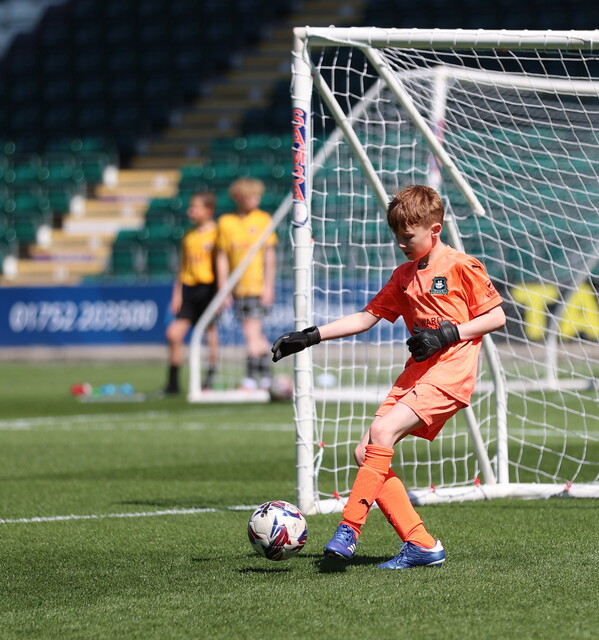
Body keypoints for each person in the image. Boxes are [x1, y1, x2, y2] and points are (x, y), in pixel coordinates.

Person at [271, 185, 506, 569]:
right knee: (365, 451)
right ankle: (422, 544)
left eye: (408, 237)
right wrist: (309, 336)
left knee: (381, 435)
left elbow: (496, 317)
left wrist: (447, 334)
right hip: (415, 376)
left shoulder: (463, 265)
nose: (401, 244)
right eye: (397, 237)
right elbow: (366, 318)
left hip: (450, 374)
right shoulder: (404, 275)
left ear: (435, 229)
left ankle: (349, 529)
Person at [216, 177, 277, 390]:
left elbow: (270, 256)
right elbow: (222, 256)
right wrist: (224, 288)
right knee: (255, 335)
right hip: (238, 287)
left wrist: (269, 286)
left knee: (251, 334)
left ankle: (251, 378)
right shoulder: (226, 223)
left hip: (257, 287)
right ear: (239, 198)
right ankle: (268, 377)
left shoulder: (263, 219)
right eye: (251, 196)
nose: (256, 199)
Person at [163, 191, 225, 395]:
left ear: (208, 210)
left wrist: (222, 292)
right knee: (173, 334)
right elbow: (182, 267)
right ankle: (173, 384)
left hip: (209, 290)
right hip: (190, 291)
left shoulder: (218, 233)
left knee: (210, 335)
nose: (191, 211)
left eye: (195, 207)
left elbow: (223, 263)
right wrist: (177, 294)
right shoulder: (189, 236)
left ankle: (208, 379)